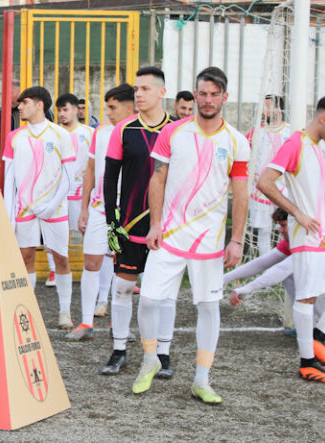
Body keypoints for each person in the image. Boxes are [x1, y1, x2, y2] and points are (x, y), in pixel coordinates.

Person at [133, 66, 249, 404]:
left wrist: (237, 238)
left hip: (211, 242)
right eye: (203, 93)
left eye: (214, 94)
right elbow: (157, 178)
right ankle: (150, 358)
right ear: (194, 95)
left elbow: (240, 194)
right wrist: (154, 224)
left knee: (208, 307)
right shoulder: (173, 132)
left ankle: (202, 379)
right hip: (169, 234)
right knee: (149, 300)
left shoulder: (236, 142)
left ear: (224, 98)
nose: (208, 100)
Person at [100, 67, 176, 377]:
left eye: (145, 88)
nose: (138, 94)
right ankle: (119, 350)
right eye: (136, 89)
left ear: (161, 92)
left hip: (167, 227)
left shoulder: (179, 131)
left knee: (164, 294)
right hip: (129, 226)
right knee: (122, 287)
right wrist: (111, 222)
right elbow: (110, 179)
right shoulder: (123, 131)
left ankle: (163, 354)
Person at [257, 95, 325, 383]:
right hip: (308, 237)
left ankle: (317, 340)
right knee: (306, 297)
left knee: (316, 296)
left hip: (323, 235)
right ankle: (307, 360)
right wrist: (297, 213)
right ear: (324, 119)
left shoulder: (316, 146)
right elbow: (264, 181)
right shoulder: (296, 143)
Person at [65, 84, 134, 341]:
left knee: (122, 268)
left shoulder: (139, 132)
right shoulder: (101, 132)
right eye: (107, 107)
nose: (109, 113)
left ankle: (119, 326)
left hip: (127, 213)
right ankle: (86, 324)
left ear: (130, 106)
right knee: (91, 263)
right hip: (98, 209)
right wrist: (83, 208)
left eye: (113, 108)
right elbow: (91, 170)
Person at [3, 86, 76, 329]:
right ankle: (28, 311)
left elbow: (69, 175)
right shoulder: (15, 137)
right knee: (26, 257)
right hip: (25, 210)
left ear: (39, 105)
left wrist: (52, 204)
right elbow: (9, 179)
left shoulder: (61, 135)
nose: (20, 107)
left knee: (61, 258)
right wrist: (9, 213)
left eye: (24, 103)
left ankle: (65, 312)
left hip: (54, 209)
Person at [42, 92, 91, 328]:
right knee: (55, 241)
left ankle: (95, 277)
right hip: (59, 196)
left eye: (67, 109)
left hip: (82, 196)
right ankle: (53, 271)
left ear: (76, 111)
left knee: (87, 235)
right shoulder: (52, 134)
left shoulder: (87, 133)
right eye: (59, 110)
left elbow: (93, 165)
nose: (62, 113)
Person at [225, 208, 299, 334]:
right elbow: (262, 263)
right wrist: (225, 278)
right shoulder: (293, 241)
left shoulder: (313, 241)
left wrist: (247, 288)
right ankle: (313, 326)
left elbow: (282, 269)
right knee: (290, 277)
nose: (280, 230)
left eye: (284, 226)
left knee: (295, 276)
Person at [247, 95, 292, 256]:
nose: (264, 111)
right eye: (263, 108)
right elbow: (247, 157)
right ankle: (265, 266)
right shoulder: (257, 133)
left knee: (287, 226)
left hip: (284, 186)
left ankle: (286, 263)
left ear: (278, 108)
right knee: (264, 230)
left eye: (268, 107)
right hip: (262, 188)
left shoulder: (290, 131)